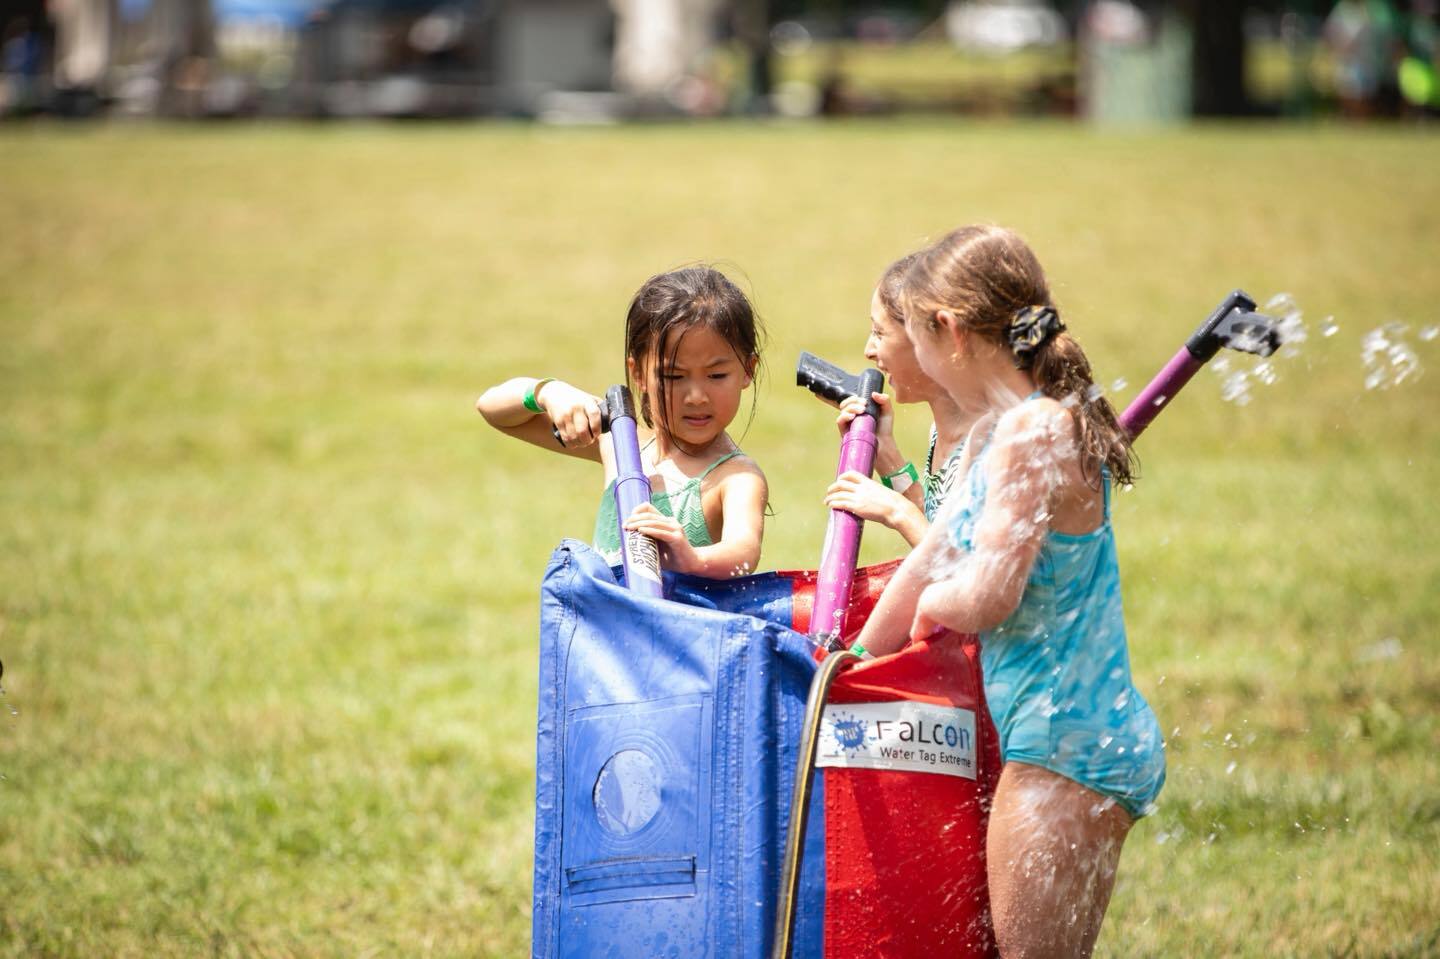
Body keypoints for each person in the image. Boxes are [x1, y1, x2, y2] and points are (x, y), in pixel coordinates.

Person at [854, 225, 1165, 958]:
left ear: (950, 332)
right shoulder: (1008, 426)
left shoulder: (1032, 430)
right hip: (1069, 739)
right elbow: (932, 557)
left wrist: (930, 613)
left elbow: (987, 593)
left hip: (1062, 750)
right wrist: (852, 660)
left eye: (910, 331)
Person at [476, 266, 768, 578]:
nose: (696, 396)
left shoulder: (735, 477)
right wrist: (547, 392)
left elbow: (744, 551)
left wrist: (692, 558)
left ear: (747, 370)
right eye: (673, 376)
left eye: (716, 375)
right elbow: (493, 409)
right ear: (639, 373)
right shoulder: (620, 444)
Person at [824, 252, 980, 547]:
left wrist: (897, 511)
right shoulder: (943, 431)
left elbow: (965, 573)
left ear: (929, 343)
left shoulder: (987, 444)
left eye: (879, 333)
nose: (869, 350)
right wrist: (887, 455)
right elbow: (939, 526)